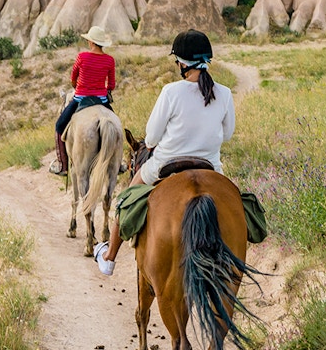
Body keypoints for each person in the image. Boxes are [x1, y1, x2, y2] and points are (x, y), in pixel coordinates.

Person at [95, 28, 234, 275]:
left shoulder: (171, 91)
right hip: (211, 166)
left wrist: (155, 143)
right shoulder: (224, 93)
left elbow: (151, 137)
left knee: (126, 200)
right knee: (234, 203)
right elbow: (228, 133)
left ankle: (109, 257)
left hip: (164, 164)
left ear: (182, 64)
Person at [50, 25, 117, 176]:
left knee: (59, 125)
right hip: (101, 99)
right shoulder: (109, 60)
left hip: (80, 98)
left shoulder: (82, 57)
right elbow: (111, 85)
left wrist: (76, 85)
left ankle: (62, 165)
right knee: (115, 126)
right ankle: (117, 164)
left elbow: (73, 78)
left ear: (91, 42)